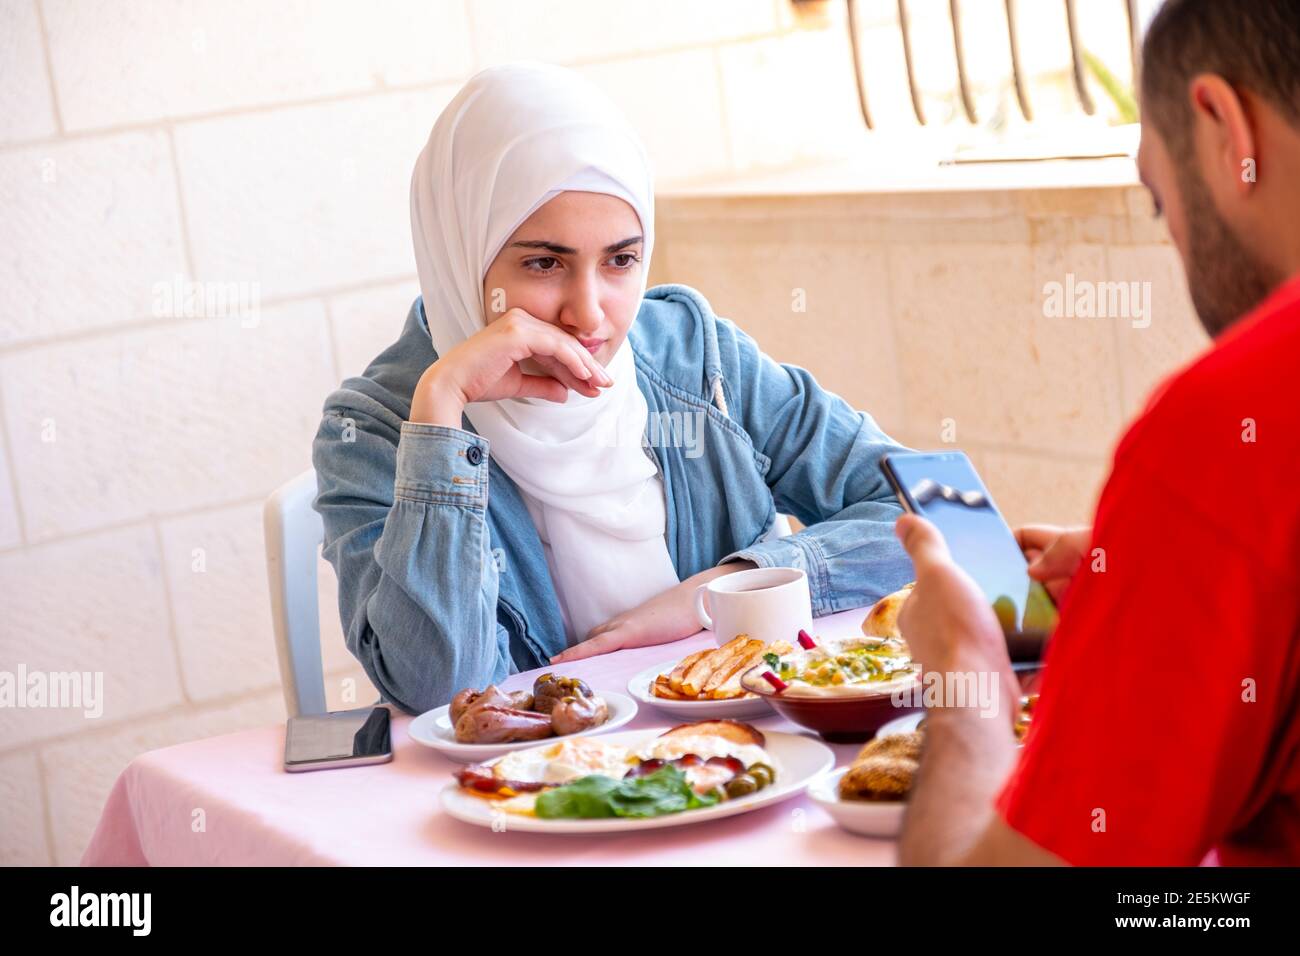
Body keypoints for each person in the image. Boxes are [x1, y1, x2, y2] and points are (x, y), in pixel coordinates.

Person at [311, 63, 913, 714]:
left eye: (620, 260)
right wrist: (441, 414)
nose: (590, 314)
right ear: (459, 249)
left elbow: (932, 511)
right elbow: (438, 686)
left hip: (728, 760)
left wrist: (714, 593)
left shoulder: (696, 356)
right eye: (544, 263)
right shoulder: (372, 427)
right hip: (532, 797)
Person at [895, 0, 1300, 865]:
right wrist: (1160, 566)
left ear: (1224, 124)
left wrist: (967, 670)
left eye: (1161, 202)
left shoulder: (1230, 420)